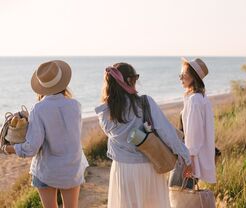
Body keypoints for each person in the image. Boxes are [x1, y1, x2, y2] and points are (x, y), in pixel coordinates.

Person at [95, 62, 192, 208]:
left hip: (123, 169)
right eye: (135, 78)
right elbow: (166, 132)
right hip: (149, 166)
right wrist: (186, 157)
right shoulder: (144, 103)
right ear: (129, 81)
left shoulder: (105, 112)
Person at [1, 60, 89, 208]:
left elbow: (31, 148)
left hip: (47, 170)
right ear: (63, 82)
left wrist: (7, 149)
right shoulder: (75, 105)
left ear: (42, 86)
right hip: (72, 168)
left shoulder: (39, 108)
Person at [170, 57, 216, 188]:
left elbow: (195, 134)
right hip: (190, 158)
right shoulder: (200, 98)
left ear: (193, 77)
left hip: (189, 159)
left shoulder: (195, 100)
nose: (180, 78)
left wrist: (189, 162)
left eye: (183, 75)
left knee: (176, 192)